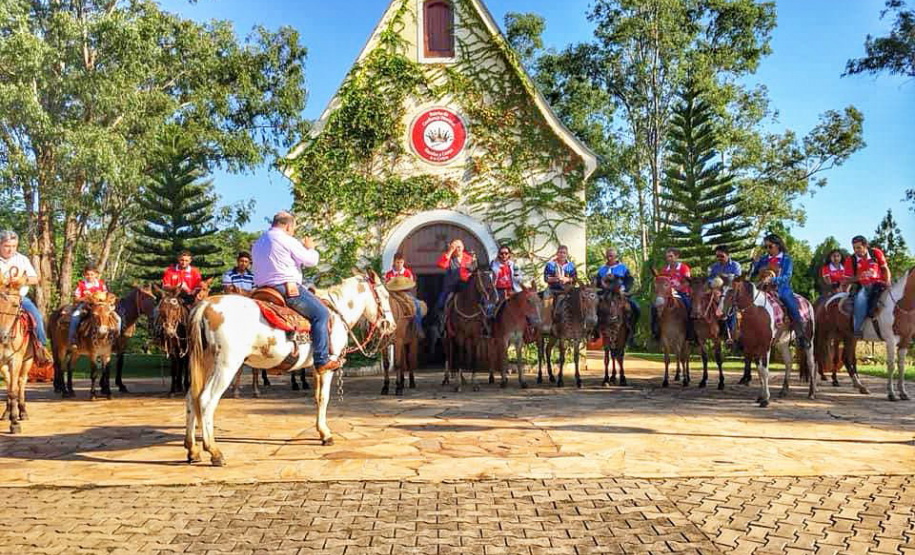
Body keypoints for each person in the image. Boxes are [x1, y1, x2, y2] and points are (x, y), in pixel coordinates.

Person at [252, 211, 340, 373]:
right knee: (321, 313)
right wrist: (310, 248)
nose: (293, 232)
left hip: (262, 290)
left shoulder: (259, 241)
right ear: (288, 226)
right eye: (293, 228)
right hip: (286, 288)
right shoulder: (286, 239)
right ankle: (322, 360)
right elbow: (311, 261)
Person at [750, 233, 809, 349]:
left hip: (781, 289)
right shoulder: (763, 259)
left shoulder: (786, 259)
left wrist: (773, 280)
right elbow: (753, 273)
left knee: (791, 304)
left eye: (770, 246)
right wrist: (755, 263)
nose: (767, 249)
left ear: (777, 245)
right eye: (765, 247)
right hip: (762, 288)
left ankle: (800, 335)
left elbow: (787, 276)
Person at [0, 230, 50, 363]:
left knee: (37, 317)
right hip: (0, 299)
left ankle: (41, 348)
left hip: (19, 299)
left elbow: (35, 279)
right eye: (7, 246)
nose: (10, 249)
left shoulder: (22, 259)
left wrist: (22, 280)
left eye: (14, 246)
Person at [843, 235, 891, 338]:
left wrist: (888, 282)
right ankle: (858, 329)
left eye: (858, 247)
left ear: (866, 246)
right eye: (854, 248)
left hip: (880, 284)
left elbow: (885, 269)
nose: (856, 250)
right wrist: (860, 276)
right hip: (863, 286)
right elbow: (847, 280)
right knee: (860, 298)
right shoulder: (851, 260)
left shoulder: (876, 253)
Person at [68, 262, 121, 350]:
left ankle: (116, 339)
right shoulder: (81, 285)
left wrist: (110, 299)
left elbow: (106, 295)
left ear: (96, 274)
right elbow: (76, 299)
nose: (89, 276)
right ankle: (73, 339)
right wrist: (85, 298)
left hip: (101, 307)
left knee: (118, 319)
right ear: (84, 274)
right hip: (86, 306)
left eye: (92, 274)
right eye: (87, 274)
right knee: (74, 317)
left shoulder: (101, 284)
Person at [594, 247, 640, 336]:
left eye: (611, 256)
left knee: (635, 307)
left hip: (620, 292)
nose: (609, 258)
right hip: (604, 293)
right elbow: (597, 282)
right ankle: (595, 331)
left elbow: (629, 280)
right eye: (607, 256)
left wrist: (623, 288)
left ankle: (631, 331)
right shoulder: (602, 269)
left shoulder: (623, 268)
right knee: (593, 307)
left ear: (616, 256)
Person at [651, 248, 692, 341]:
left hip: (682, 293)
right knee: (654, 307)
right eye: (667, 257)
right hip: (667, 294)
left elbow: (687, 283)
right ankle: (655, 331)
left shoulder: (684, 268)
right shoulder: (665, 269)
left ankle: (690, 332)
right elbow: (661, 282)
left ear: (677, 256)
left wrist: (676, 289)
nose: (669, 259)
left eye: (671, 256)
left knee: (689, 306)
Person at [707, 245, 741, 342]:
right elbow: (709, 279)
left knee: (730, 307)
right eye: (717, 256)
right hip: (717, 291)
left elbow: (737, 279)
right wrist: (713, 285)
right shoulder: (714, 267)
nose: (719, 258)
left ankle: (731, 331)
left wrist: (723, 277)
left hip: (731, 291)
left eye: (722, 256)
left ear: (728, 255)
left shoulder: (735, 265)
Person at [435, 239, 475, 313]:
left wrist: (471, 267)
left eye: (459, 247)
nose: (457, 249)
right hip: (452, 286)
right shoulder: (449, 257)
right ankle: (442, 316)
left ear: (463, 247)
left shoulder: (469, 258)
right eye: (455, 247)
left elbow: (475, 269)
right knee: (442, 302)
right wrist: (450, 251)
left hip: (466, 285)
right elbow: (442, 264)